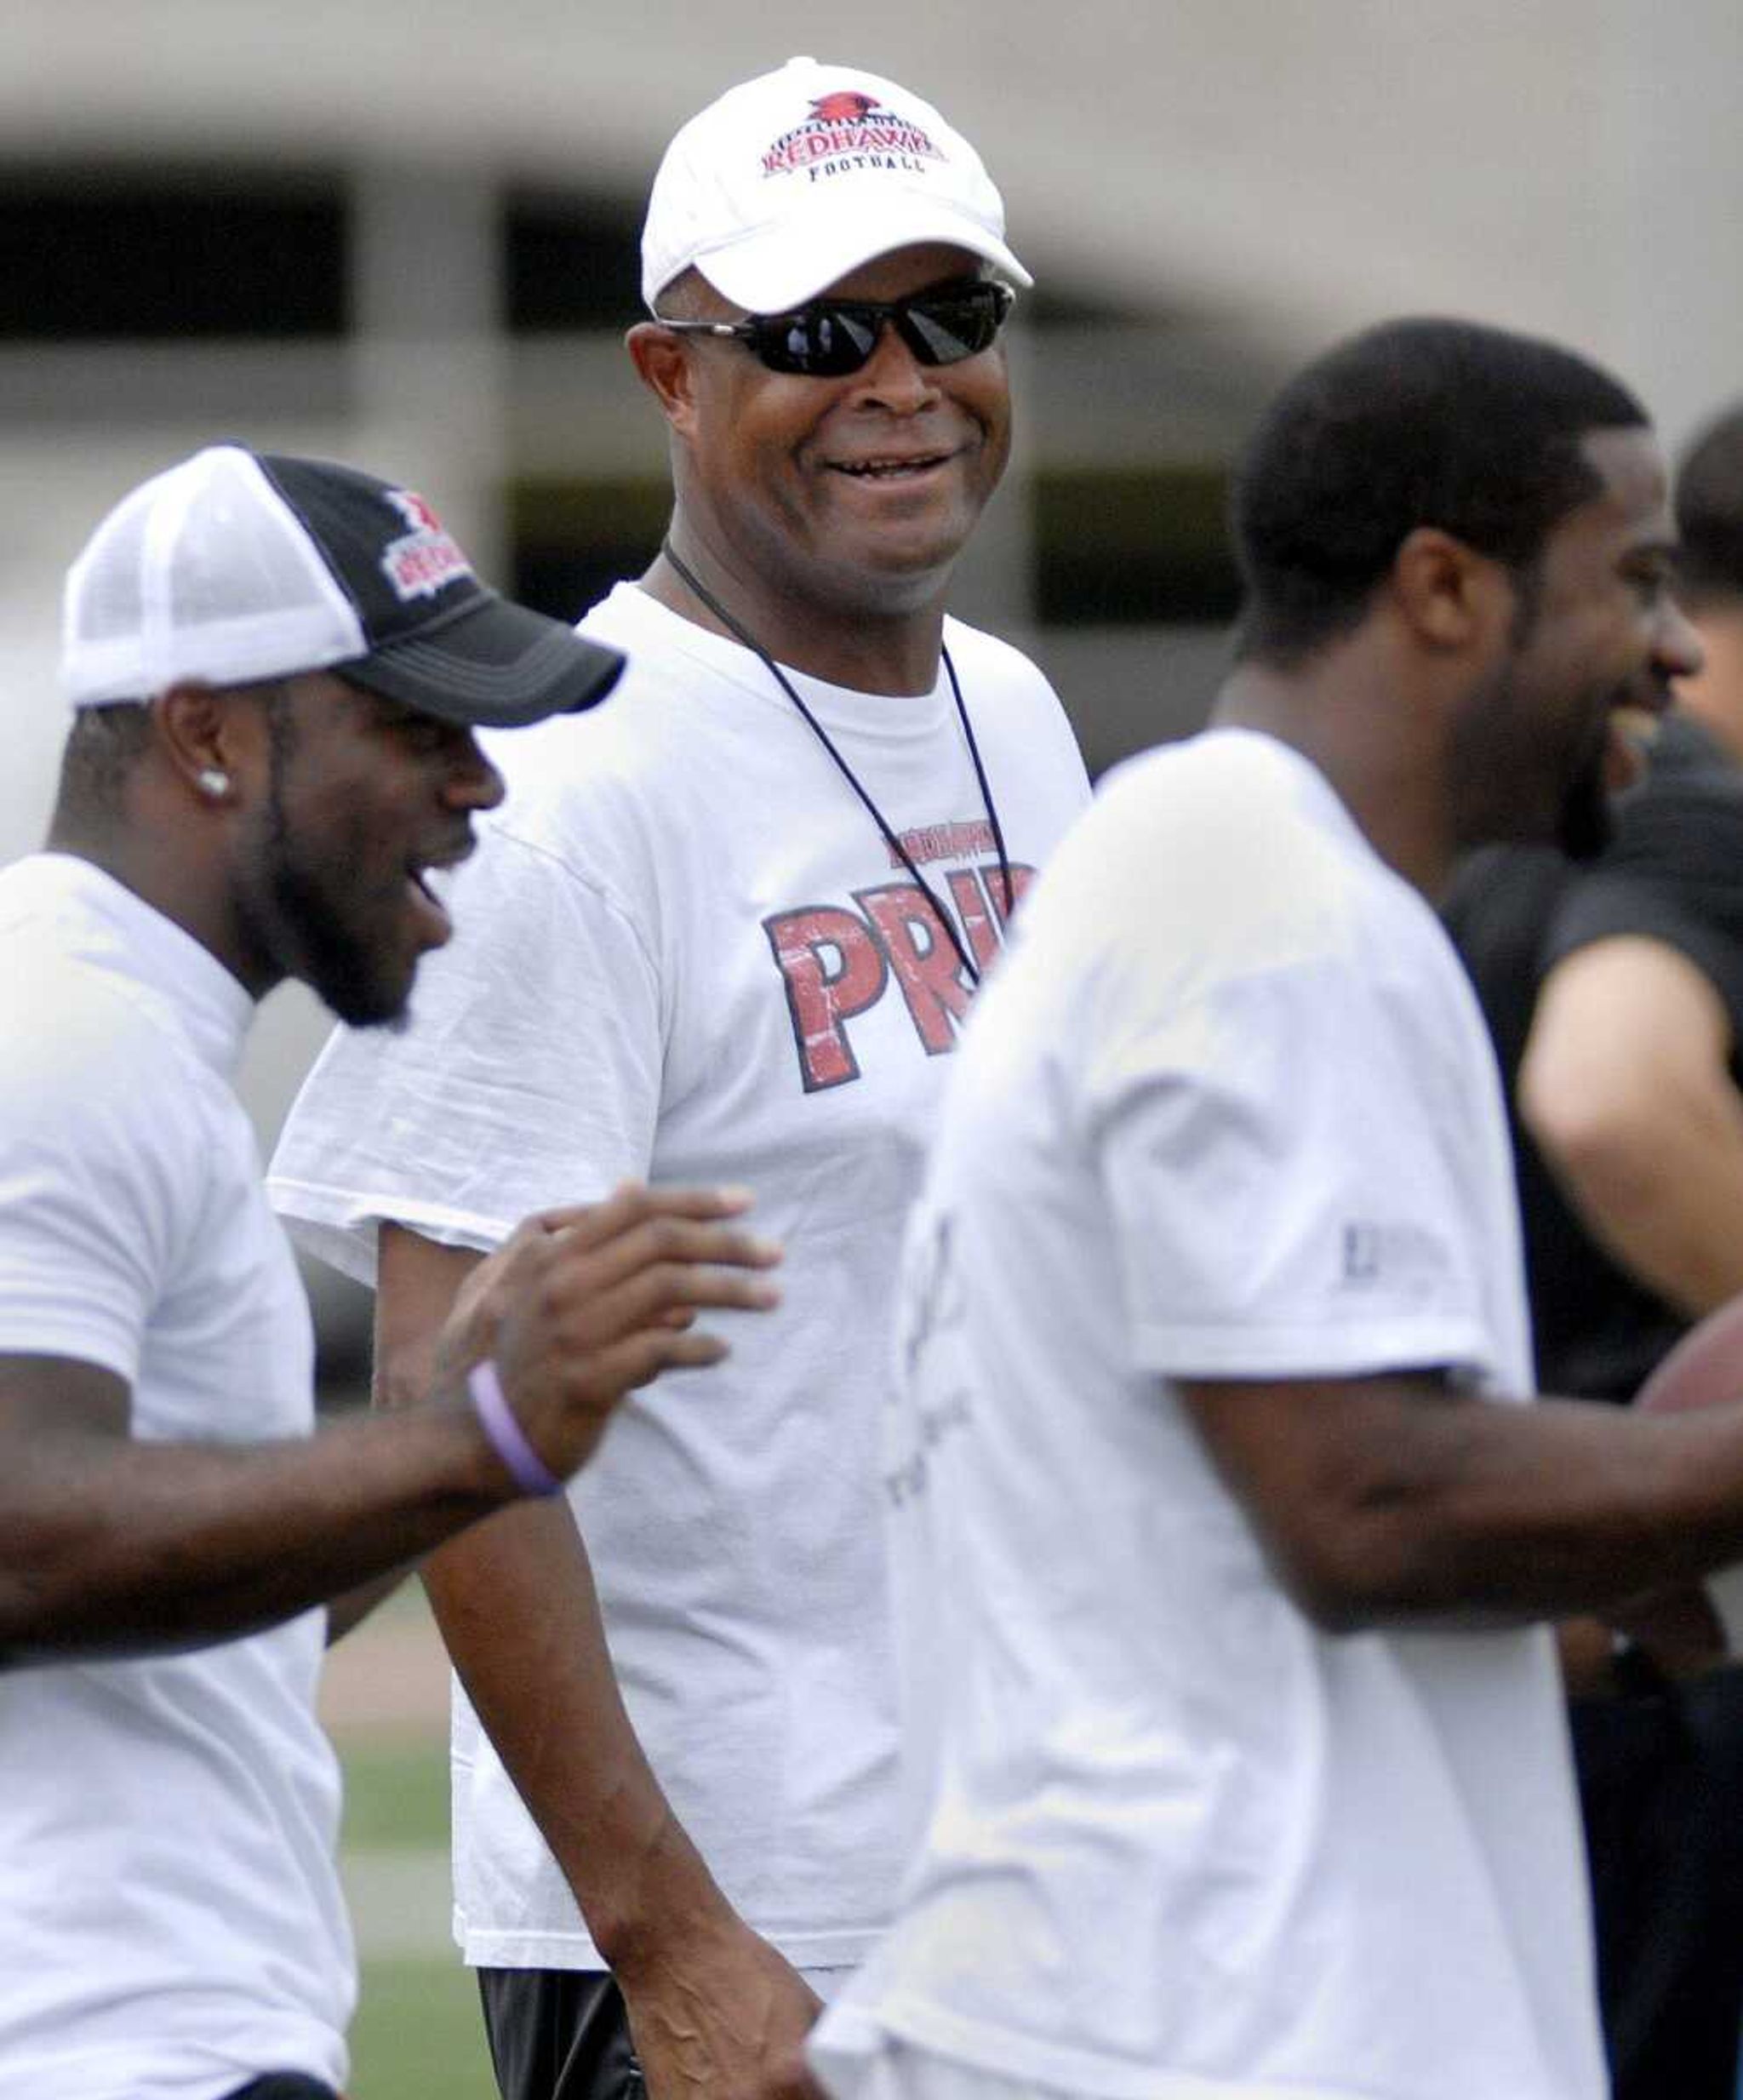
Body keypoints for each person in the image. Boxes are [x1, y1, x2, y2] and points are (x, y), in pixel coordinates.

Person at [266, 54, 1090, 2100]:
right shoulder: (564, 796)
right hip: (732, 1934)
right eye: (816, 333)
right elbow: (443, 1412)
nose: (901, 382)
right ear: (668, 375)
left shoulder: (1013, 709)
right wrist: (675, 1940)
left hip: (1025, 1878)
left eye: (952, 316)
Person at [799, 318, 1743, 2100]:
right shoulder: (1250, 883)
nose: (1678, 647)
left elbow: (1239, 1546)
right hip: (1212, 2027)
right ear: (1447, 588)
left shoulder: (1236, 882)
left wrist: (1625, 1591)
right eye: (1631, 581)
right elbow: (1364, 1501)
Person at [0, 442, 786, 2100]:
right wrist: (474, 1441)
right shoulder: (66, 1046)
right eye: (413, 727)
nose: (480, 787)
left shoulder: (118, 1038)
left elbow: (164, 1610)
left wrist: (432, 1426)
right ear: (208, 733)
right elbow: (19, 1539)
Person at [1442, 400, 1743, 2100]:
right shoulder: (1694, 812)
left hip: (1539, 1645)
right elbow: (1613, 1097)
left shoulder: (1555, 804)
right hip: (1649, 1657)